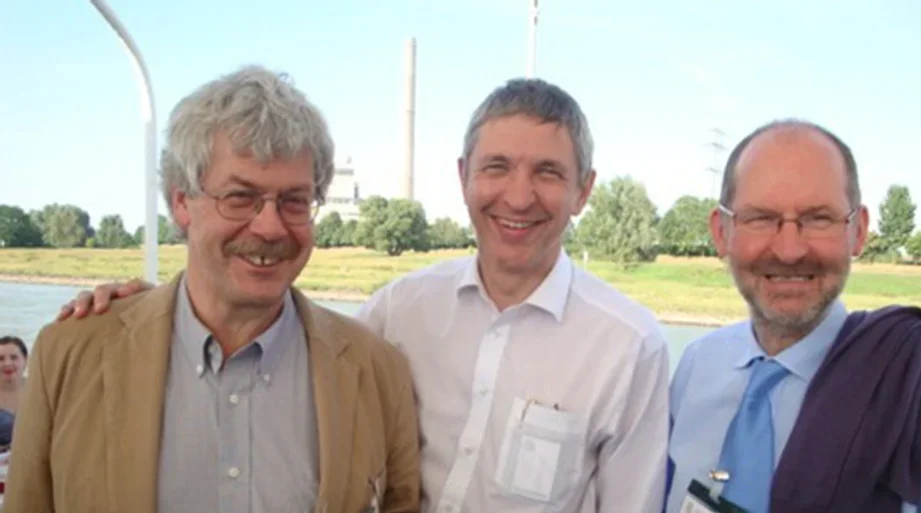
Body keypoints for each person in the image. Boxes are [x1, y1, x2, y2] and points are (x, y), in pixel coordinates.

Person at [54, 77, 673, 513]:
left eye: (548, 173)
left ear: (584, 190)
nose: (517, 196)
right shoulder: (396, 313)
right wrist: (143, 313)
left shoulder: (628, 346)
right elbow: (247, 304)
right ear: (462, 177)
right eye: (497, 167)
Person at [5, 65, 421, 513]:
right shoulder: (70, 354)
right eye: (240, 197)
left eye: (293, 201)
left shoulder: (378, 372)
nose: (269, 226)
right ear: (181, 201)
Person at [665, 119, 921, 513]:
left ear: (858, 231)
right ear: (722, 232)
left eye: (819, 218)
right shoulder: (696, 365)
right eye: (760, 217)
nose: (790, 250)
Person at [0, 335, 28, 450]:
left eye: (14, 357)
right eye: (0, 359)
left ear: (25, 360)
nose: (7, 363)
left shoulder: (40, 389)